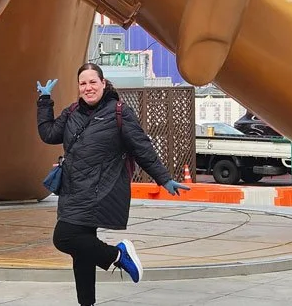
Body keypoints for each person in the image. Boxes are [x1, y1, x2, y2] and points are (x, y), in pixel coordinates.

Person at [37, 63, 190, 306]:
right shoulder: (72, 112)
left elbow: (143, 149)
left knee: (63, 238)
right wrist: (45, 101)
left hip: (99, 191)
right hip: (72, 190)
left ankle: (119, 255)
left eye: (92, 82)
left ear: (103, 83)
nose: (88, 88)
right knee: (82, 251)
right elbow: (49, 134)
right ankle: (87, 303)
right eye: (83, 83)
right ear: (78, 87)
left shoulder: (119, 112)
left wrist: (164, 178)